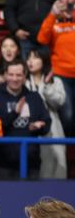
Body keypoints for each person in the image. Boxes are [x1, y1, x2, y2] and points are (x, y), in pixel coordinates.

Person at [0, 59, 51, 179]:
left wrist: (39, 127)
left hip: (31, 163)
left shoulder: (34, 97)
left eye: (18, 75)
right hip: (2, 164)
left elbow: (46, 123)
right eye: (11, 75)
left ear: (24, 77)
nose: (15, 79)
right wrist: (15, 112)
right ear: (5, 75)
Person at [38, 0, 75, 134]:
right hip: (61, 75)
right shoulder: (53, 20)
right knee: (68, 116)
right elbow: (41, 39)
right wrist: (52, 14)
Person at [25, 46, 67, 178]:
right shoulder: (23, 82)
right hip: (29, 129)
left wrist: (47, 87)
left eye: (35, 57)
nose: (30, 61)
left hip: (53, 129)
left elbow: (59, 102)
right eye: (28, 58)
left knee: (55, 167)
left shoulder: (55, 81)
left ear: (44, 60)